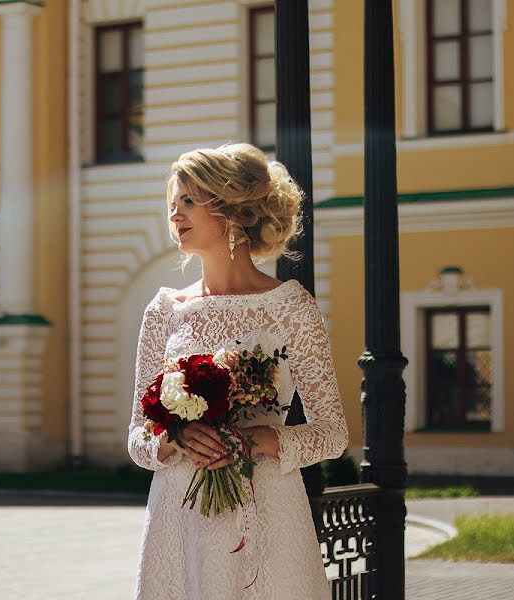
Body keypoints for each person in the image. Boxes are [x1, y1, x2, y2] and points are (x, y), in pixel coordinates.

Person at [127, 143, 349, 599]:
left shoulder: (291, 307)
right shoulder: (164, 310)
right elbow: (137, 437)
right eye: (172, 202)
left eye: (189, 199)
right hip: (179, 519)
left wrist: (261, 440)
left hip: (267, 511)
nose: (175, 213)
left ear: (229, 209)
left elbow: (333, 433)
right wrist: (175, 437)